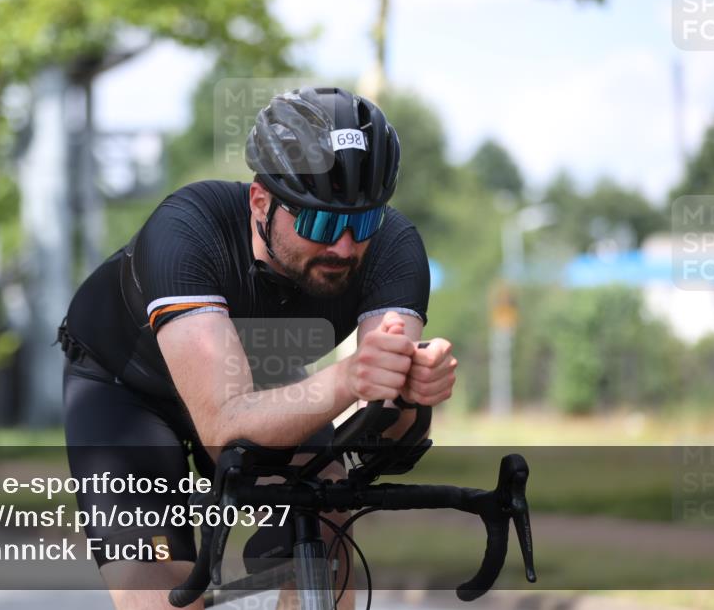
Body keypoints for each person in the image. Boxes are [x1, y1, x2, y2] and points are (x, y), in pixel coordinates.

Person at [59, 86, 457, 610]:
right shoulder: (188, 230)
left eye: (362, 222)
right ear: (260, 203)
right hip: (127, 392)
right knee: (162, 595)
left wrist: (411, 392)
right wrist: (348, 378)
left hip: (263, 378)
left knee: (326, 526)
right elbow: (225, 426)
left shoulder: (393, 248)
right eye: (319, 222)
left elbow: (388, 437)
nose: (343, 247)